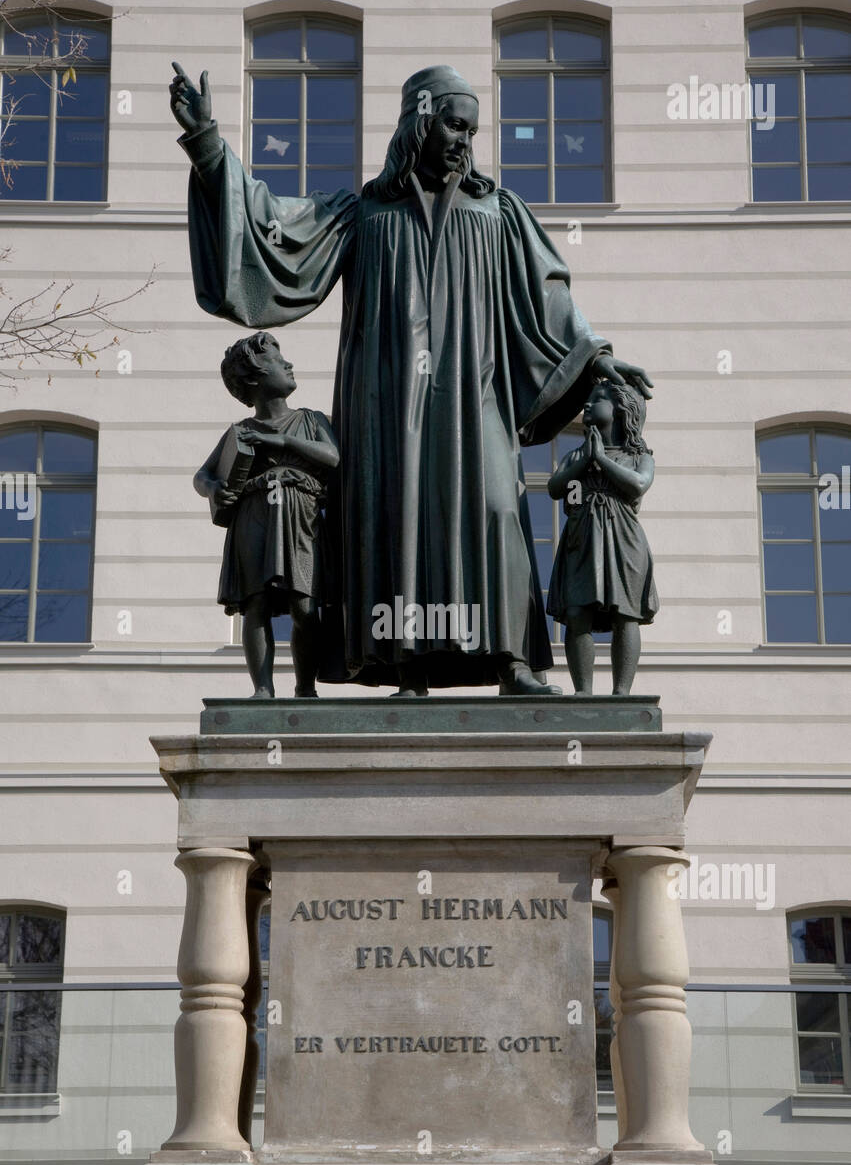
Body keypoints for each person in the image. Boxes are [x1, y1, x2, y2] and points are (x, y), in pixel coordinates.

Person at [170, 61, 653, 696]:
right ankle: (406, 667)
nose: (465, 141)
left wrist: (595, 358)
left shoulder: (498, 209)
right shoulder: (363, 211)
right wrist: (208, 146)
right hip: (385, 401)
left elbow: (550, 297)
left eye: (472, 131)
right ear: (420, 120)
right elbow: (276, 234)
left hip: (475, 391)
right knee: (397, 514)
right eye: (455, 125)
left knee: (497, 506)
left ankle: (511, 662)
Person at [194, 332, 339, 698]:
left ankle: (305, 687)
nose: (288, 365)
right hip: (254, 516)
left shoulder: (310, 420)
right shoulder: (241, 431)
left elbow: (333, 457)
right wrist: (213, 489)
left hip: (300, 519)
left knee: (304, 607)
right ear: (255, 378)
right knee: (254, 603)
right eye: (278, 360)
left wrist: (285, 442)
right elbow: (202, 475)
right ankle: (262, 688)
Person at [547, 377, 659, 695]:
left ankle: (621, 692)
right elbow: (558, 489)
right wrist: (585, 460)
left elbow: (638, 484)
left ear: (622, 409)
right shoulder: (576, 458)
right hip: (581, 539)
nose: (587, 405)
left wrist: (602, 460)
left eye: (596, 399)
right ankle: (583, 691)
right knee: (577, 612)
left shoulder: (639, 457)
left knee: (627, 613)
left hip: (624, 539)